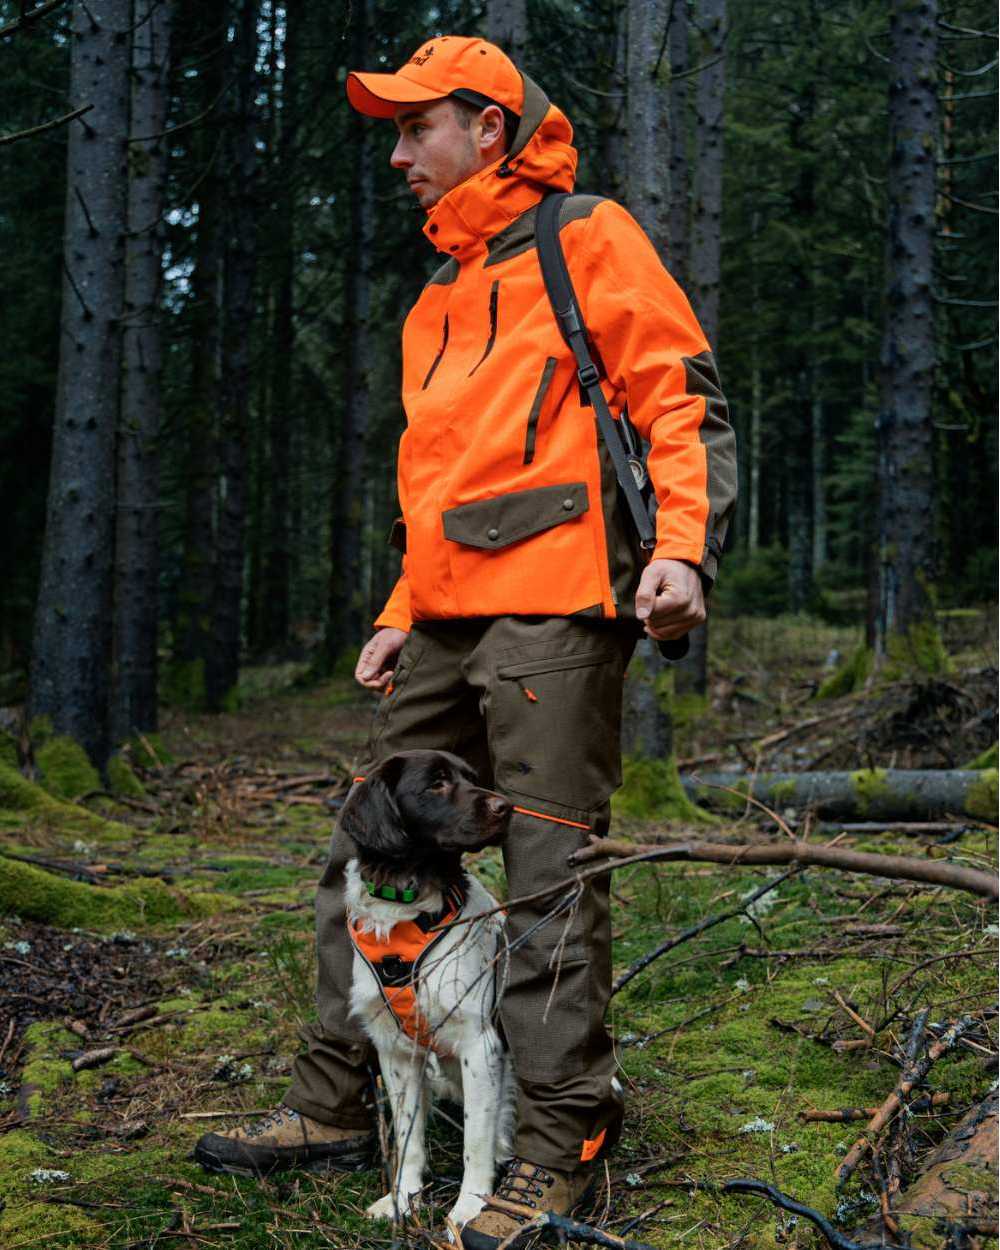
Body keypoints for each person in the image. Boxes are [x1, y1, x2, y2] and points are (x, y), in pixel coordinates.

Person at [195, 35, 736, 1249]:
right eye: (391, 134)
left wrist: (682, 546)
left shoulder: (584, 236)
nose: (397, 156)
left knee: (543, 878)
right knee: (365, 848)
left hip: (555, 602)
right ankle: (338, 1106)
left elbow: (676, 394)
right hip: (438, 616)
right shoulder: (434, 296)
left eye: (415, 129)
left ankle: (555, 1150)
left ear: (487, 129)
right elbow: (431, 489)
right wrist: (397, 614)